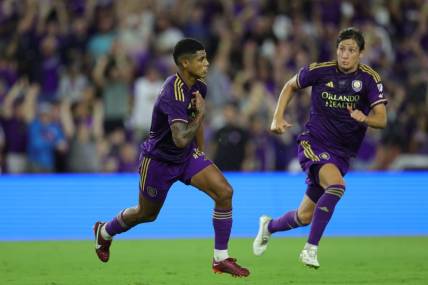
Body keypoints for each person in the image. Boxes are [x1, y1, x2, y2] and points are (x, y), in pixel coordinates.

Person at [93, 38, 250, 277]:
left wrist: (200, 151)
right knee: (146, 214)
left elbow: (195, 125)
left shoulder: (199, 86)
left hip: (186, 157)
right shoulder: (172, 92)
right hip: (158, 161)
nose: (207, 63)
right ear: (185, 63)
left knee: (224, 192)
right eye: (201, 59)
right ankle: (104, 232)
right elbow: (179, 137)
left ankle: (221, 258)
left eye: (206, 58)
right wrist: (200, 116)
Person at [253, 27, 387, 268]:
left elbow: (382, 119)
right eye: (341, 49)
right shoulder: (320, 71)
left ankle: (269, 226)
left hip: (342, 153)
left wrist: (364, 118)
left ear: (361, 54)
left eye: (351, 50)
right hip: (314, 142)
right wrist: (277, 117)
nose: (345, 55)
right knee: (336, 186)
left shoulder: (369, 79)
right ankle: (310, 249)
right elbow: (290, 85)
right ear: (336, 50)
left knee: (304, 216)